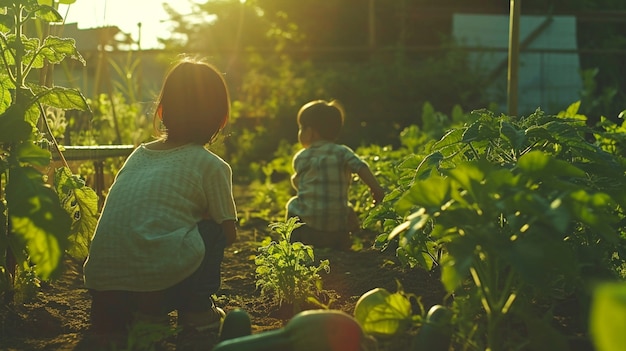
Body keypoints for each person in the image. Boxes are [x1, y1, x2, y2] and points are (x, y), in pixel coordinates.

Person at [82, 57, 238, 346]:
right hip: (156, 289)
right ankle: (197, 313)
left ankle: (140, 320)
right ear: (222, 119)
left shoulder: (138, 155)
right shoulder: (212, 165)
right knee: (213, 231)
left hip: (102, 293)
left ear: (162, 111)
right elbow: (228, 233)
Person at [286, 99, 385, 250]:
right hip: (336, 231)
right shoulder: (342, 152)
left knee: (293, 204)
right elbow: (360, 166)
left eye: (301, 128)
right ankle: (347, 239)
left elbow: (300, 185)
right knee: (346, 207)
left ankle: (291, 245)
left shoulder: (302, 157)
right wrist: (376, 188)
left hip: (309, 232)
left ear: (310, 132)